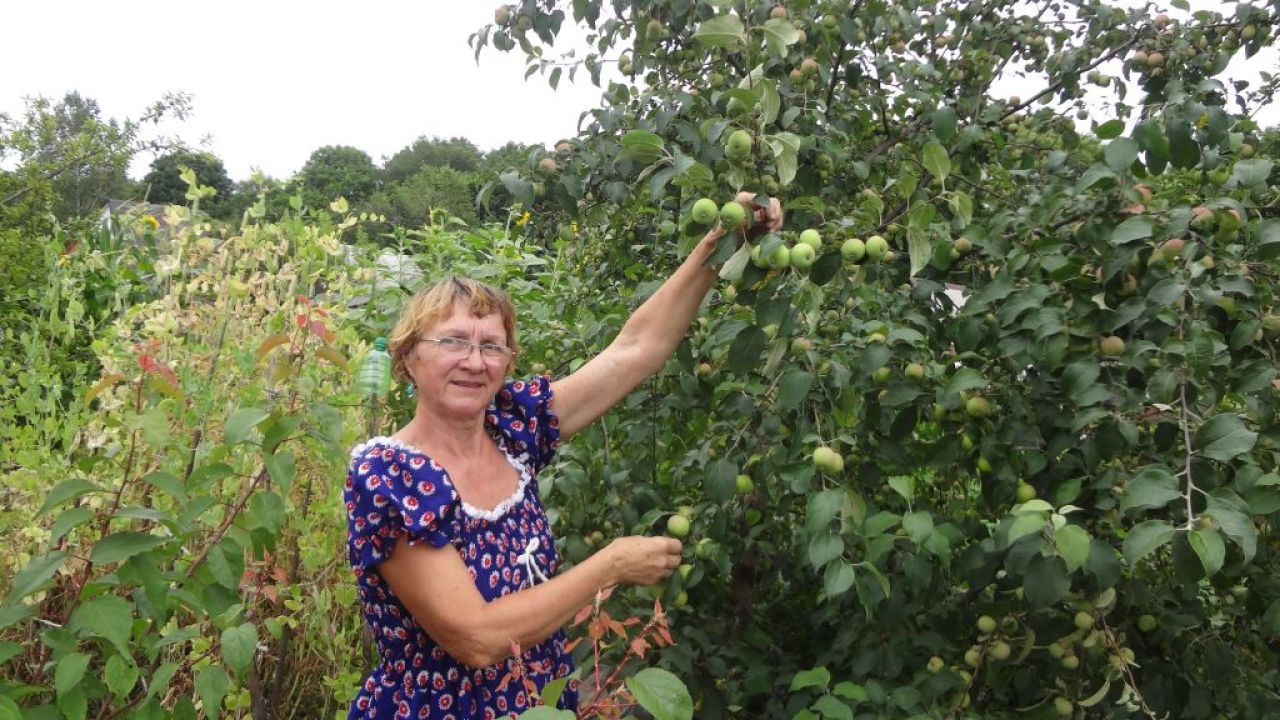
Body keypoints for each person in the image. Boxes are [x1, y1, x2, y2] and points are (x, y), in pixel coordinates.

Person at [344, 194, 783, 719]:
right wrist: (611, 564)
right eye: (453, 341)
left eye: (492, 346)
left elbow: (634, 348)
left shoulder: (513, 428)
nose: (474, 361)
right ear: (409, 357)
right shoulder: (388, 475)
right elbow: (477, 638)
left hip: (540, 703)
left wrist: (720, 244)